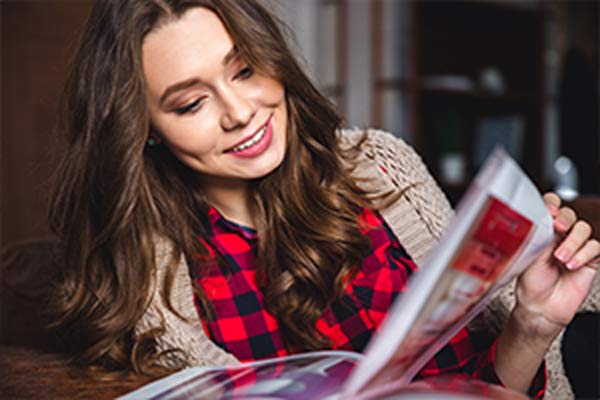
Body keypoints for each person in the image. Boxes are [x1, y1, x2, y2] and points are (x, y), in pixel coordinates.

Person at [48, 0, 599, 397]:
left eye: (245, 70)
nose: (239, 111)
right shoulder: (153, 277)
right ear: (144, 128)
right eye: (191, 104)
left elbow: (495, 381)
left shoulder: (381, 167)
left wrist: (531, 326)